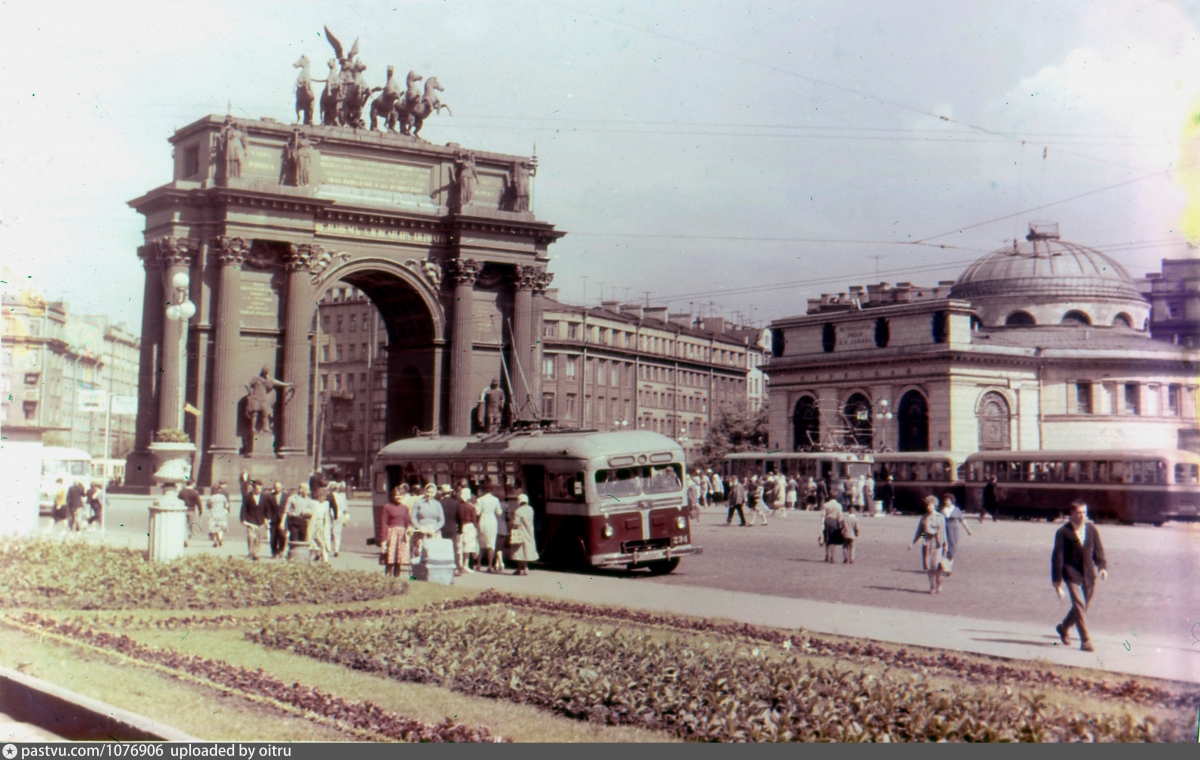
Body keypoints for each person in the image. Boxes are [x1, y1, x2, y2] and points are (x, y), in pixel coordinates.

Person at [1051, 500, 1108, 652]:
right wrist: (1057, 580)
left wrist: (1102, 567)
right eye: (1078, 512)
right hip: (1072, 573)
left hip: (1089, 574)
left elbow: (1098, 551)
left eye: (1084, 512)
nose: (1082, 515)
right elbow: (1057, 556)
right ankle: (1085, 641)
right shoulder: (1064, 532)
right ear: (1071, 514)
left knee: (1082, 607)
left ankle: (1063, 627)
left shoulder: (1091, 530)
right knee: (1079, 604)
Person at [909, 495, 948, 594]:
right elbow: (920, 532)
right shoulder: (924, 517)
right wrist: (913, 543)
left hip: (937, 543)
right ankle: (932, 586)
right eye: (926, 505)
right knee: (928, 567)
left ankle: (939, 583)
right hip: (927, 543)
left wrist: (945, 545)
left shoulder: (940, 517)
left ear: (934, 505)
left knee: (936, 566)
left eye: (930, 505)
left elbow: (943, 532)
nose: (928, 507)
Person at [381, 486, 413, 578]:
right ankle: (387, 578)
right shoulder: (387, 507)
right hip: (391, 534)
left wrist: (409, 528)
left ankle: (397, 579)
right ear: (392, 496)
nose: (398, 498)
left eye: (401, 496)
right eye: (397, 496)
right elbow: (383, 524)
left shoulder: (405, 508)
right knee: (390, 559)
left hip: (401, 535)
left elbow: (407, 521)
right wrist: (383, 540)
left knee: (399, 559)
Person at [475, 481, 504, 572]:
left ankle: (478, 564)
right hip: (492, 521)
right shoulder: (495, 500)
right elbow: (499, 512)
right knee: (491, 544)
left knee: (481, 544)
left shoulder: (480, 500)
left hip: (483, 520)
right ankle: (490, 565)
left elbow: (477, 512)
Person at [941, 493, 973, 569]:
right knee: (944, 547)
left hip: (953, 531)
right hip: (944, 530)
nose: (946, 502)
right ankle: (945, 564)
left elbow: (962, 520)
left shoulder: (956, 510)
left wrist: (968, 530)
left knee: (952, 547)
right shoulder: (942, 510)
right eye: (945, 500)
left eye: (947, 500)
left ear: (951, 501)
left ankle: (949, 563)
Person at [509, 494, 539, 575]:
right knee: (525, 551)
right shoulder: (531, 509)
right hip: (529, 531)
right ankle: (520, 568)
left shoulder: (518, 511)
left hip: (521, 533)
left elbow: (516, 523)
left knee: (520, 551)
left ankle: (524, 568)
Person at [437, 484, 463, 574]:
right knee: (454, 548)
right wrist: (460, 530)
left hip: (441, 528)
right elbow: (460, 518)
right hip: (452, 528)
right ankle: (455, 567)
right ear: (450, 493)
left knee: (442, 548)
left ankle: (443, 567)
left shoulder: (439, 503)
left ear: (442, 493)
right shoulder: (456, 503)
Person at [240, 482, 268, 561]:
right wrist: (243, 519)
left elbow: (267, 508)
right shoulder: (247, 497)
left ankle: (256, 553)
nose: (259, 490)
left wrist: (267, 518)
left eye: (260, 488)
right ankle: (250, 552)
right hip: (250, 520)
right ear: (253, 488)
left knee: (258, 538)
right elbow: (243, 509)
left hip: (260, 520)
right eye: (257, 488)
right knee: (251, 536)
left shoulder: (264, 497)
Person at [457, 481, 479, 572]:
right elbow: (474, 519)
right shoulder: (471, 507)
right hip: (469, 526)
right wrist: (476, 528)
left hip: (459, 526)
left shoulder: (457, 505)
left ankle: (460, 564)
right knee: (468, 547)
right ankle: (466, 565)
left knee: (460, 546)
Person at [308, 487, 333, 563]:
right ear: (319, 495)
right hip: (315, 524)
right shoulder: (313, 503)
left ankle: (325, 560)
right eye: (323, 496)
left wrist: (329, 524)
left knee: (323, 543)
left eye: (325, 496)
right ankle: (315, 557)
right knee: (315, 542)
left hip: (322, 525)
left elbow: (327, 516)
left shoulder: (326, 504)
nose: (324, 498)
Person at [264, 482, 286, 559]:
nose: (277, 489)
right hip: (273, 519)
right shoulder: (270, 496)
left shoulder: (286, 496)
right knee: (273, 537)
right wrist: (267, 518)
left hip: (283, 519)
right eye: (276, 487)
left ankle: (281, 550)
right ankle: (274, 552)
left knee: (282, 536)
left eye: (279, 487)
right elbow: (268, 508)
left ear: (282, 487)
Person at [820, 498, 844, 563]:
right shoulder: (838, 505)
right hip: (834, 521)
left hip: (827, 521)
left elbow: (823, 515)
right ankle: (832, 556)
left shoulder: (826, 505)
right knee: (833, 539)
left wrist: (822, 524)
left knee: (827, 539)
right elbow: (840, 516)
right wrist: (840, 525)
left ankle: (827, 554)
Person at [329, 482, 349, 557]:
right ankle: (336, 550)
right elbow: (345, 509)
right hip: (340, 516)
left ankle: (325, 549)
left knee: (328, 532)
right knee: (337, 534)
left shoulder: (329, 496)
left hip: (330, 515)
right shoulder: (341, 497)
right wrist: (346, 518)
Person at [207, 482, 230, 547]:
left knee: (213, 527)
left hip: (213, 513)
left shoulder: (211, 498)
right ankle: (220, 538)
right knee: (221, 527)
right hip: (221, 513)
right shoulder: (223, 497)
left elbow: (209, 506)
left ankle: (215, 541)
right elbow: (226, 505)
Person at [493, 497, 510, 572]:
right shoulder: (506, 506)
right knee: (500, 547)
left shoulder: (494, 506)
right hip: (503, 528)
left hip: (495, 528)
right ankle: (496, 564)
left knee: (497, 547)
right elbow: (508, 518)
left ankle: (501, 563)